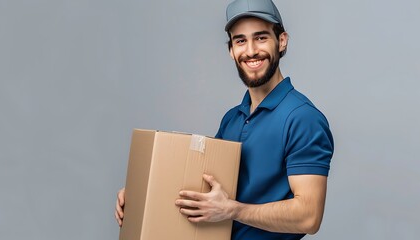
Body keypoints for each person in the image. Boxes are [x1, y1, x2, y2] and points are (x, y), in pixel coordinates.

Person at [115, 0, 334, 239]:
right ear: (231, 50)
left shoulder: (303, 118)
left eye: (261, 38)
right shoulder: (233, 118)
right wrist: (143, 194)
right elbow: (203, 187)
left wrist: (232, 209)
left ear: (281, 41)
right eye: (240, 40)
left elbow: (308, 216)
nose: (250, 51)